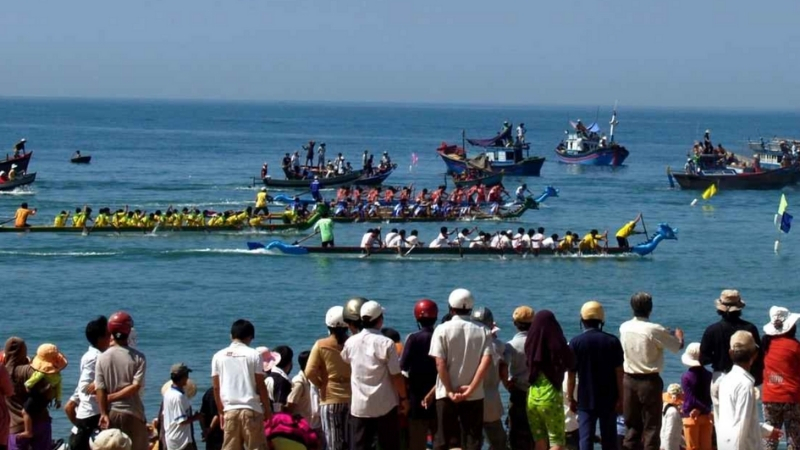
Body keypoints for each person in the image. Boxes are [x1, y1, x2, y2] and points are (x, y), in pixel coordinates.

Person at [619, 292, 684, 450]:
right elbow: (677, 346)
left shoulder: (624, 327)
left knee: (632, 427)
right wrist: (679, 336)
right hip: (649, 381)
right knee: (651, 428)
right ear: (650, 309)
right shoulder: (654, 329)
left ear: (632, 308)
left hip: (628, 380)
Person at [429, 288, 492, 450]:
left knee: (443, 441)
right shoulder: (483, 330)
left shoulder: (441, 329)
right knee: (472, 442)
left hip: (445, 394)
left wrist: (450, 391)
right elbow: (485, 363)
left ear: (450, 307)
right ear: (471, 307)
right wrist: (470, 389)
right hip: (474, 395)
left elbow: (440, 363)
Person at [340, 300, 407, 450]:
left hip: (360, 406)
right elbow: (396, 375)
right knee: (389, 445)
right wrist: (403, 398)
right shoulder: (387, 343)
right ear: (380, 320)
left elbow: (345, 358)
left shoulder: (351, 342)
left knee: (361, 446)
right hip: (385, 404)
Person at [699, 289, 763, 431]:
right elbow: (759, 358)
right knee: (745, 423)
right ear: (739, 308)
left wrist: (718, 355)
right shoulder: (750, 328)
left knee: (721, 423)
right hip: (744, 378)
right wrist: (756, 380)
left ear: (720, 309)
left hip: (720, 377)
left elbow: (703, 359)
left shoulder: (712, 330)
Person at [567, 301, 624, 450]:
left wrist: (570, 398)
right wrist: (621, 398)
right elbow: (619, 373)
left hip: (585, 398)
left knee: (585, 439)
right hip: (609, 398)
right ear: (601, 321)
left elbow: (571, 374)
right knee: (609, 440)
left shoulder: (575, 342)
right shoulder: (612, 341)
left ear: (582, 320)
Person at [211, 319, 271, 450]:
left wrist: (221, 412)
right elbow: (261, 385)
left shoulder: (218, 356)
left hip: (230, 410)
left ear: (231, 336)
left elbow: (216, 387)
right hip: (251, 409)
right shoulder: (254, 354)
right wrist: (267, 409)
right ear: (250, 337)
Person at [717, 331, 782, 449]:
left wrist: (766, 431)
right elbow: (741, 426)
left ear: (730, 353)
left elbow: (735, 421)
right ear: (755, 355)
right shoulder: (745, 385)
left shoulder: (725, 381)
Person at [95, 311, 148, 450]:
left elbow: (99, 388)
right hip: (133, 412)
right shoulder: (139, 357)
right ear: (129, 331)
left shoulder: (102, 357)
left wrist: (103, 413)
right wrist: (112, 397)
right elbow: (135, 387)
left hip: (111, 413)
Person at [525, 310, 574, 450]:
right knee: (556, 440)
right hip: (550, 396)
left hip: (532, 397)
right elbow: (570, 362)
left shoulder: (530, 345)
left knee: (539, 441)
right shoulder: (557, 345)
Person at [306, 306, 352, 450]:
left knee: (333, 443)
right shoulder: (353, 343)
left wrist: (321, 385)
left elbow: (309, 372)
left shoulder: (320, 345)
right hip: (352, 398)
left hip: (330, 399)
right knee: (351, 442)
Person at [401, 299, 439, 450]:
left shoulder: (413, 338)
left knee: (417, 442)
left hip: (416, 396)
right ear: (435, 317)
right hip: (438, 393)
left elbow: (403, 367)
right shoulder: (440, 336)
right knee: (439, 440)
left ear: (417, 318)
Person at [69, 317, 112, 450]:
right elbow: (84, 386)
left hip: (88, 413)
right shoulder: (96, 357)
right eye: (108, 335)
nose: (111, 338)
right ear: (100, 338)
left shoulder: (90, 355)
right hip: (92, 414)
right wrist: (97, 382)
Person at [761, 306, 800, 450]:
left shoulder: (766, 344)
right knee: (794, 439)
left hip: (770, 396)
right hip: (792, 397)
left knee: (769, 439)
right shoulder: (795, 346)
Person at [472, 307, 508, 450]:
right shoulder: (498, 346)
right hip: (491, 398)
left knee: (472, 441)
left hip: (471, 396)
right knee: (498, 442)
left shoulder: (469, 344)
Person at [17, 344, 67, 440]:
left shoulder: (42, 372)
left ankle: (28, 431)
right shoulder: (57, 375)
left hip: (39, 395)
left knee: (25, 412)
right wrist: (59, 399)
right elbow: (59, 388)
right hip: (47, 399)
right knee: (36, 411)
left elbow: (33, 380)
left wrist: (27, 385)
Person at [504, 306, 535, 449]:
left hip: (517, 392)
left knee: (516, 433)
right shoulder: (539, 344)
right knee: (535, 433)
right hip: (537, 393)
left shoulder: (511, 345)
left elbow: (502, 367)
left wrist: (506, 384)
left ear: (515, 323)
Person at [680, 342, 713, 450]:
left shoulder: (686, 377)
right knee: (706, 447)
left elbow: (691, 399)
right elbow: (711, 397)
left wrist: (698, 408)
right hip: (706, 415)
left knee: (692, 447)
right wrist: (705, 408)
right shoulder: (710, 375)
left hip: (691, 415)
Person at [162, 364, 202, 450]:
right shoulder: (178, 397)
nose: (187, 378)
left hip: (173, 437)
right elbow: (181, 421)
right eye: (187, 375)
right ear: (183, 377)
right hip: (180, 440)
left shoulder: (168, 392)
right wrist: (196, 417)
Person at [287, 351, 322, 442]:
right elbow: (290, 404)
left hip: (312, 424)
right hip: (304, 427)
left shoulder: (310, 380)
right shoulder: (299, 382)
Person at [266, 346, 294, 413]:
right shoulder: (281, 381)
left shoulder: (268, 377)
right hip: (276, 420)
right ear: (289, 362)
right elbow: (278, 407)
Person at [660, 384, 684, 450]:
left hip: (663, 443)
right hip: (671, 447)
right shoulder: (673, 412)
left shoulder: (665, 407)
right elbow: (669, 435)